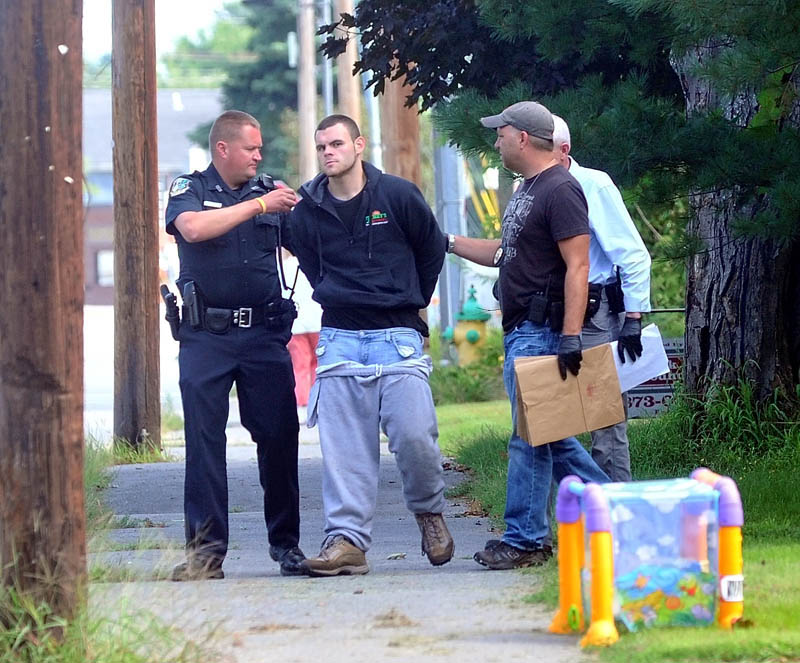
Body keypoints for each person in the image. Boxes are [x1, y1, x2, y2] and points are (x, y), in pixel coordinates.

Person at [289, 114, 454, 576]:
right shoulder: (306, 211)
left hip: (398, 339)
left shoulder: (397, 195)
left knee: (415, 438)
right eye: (322, 146)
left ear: (359, 145)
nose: (328, 153)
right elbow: (309, 264)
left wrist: (410, 299)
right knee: (345, 453)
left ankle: (430, 514)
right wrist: (338, 293)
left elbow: (430, 249)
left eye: (337, 144)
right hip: (339, 339)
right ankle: (346, 542)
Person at [448, 101, 609, 570]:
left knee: (531, 438)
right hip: (522, 330)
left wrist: (571, 336)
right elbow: (504, 252)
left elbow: (578, 266)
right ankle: (619, 512)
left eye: (500, 134)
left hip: (543, 331)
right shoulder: (527, 190)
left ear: (522, 137)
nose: (495, 142)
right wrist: (446, 242)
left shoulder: (560, 188)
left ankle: (524, 539)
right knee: (551, 438)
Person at [164, 110, 307, 580]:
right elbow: (192, 228)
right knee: (205, 442)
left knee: (280, 437)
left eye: (260, 148)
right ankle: (206, 556)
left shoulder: (271, 191)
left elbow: (310, 245)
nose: (259, 155)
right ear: (223, 148)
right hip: (206, 336)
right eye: (251, 147)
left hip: (263, 334)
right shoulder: (190, 189)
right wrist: (260, 206)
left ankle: (287, 545)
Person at [551, 115, 652, 482]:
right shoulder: (531, 187)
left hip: (595, 311)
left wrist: (633, 317)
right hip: (548, 311)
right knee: (549, 416)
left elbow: (633, 255)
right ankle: (566, 504)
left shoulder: (593, 185)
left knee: (603, 417)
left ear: (563, 151)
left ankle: (614, 502)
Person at [281, 250, 323, 414]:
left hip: (296, 324)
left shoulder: (284, 267)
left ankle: (302, 402)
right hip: (317, 320)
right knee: (317, 363)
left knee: (299, 365)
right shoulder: (313, 262)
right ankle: (317, 399)